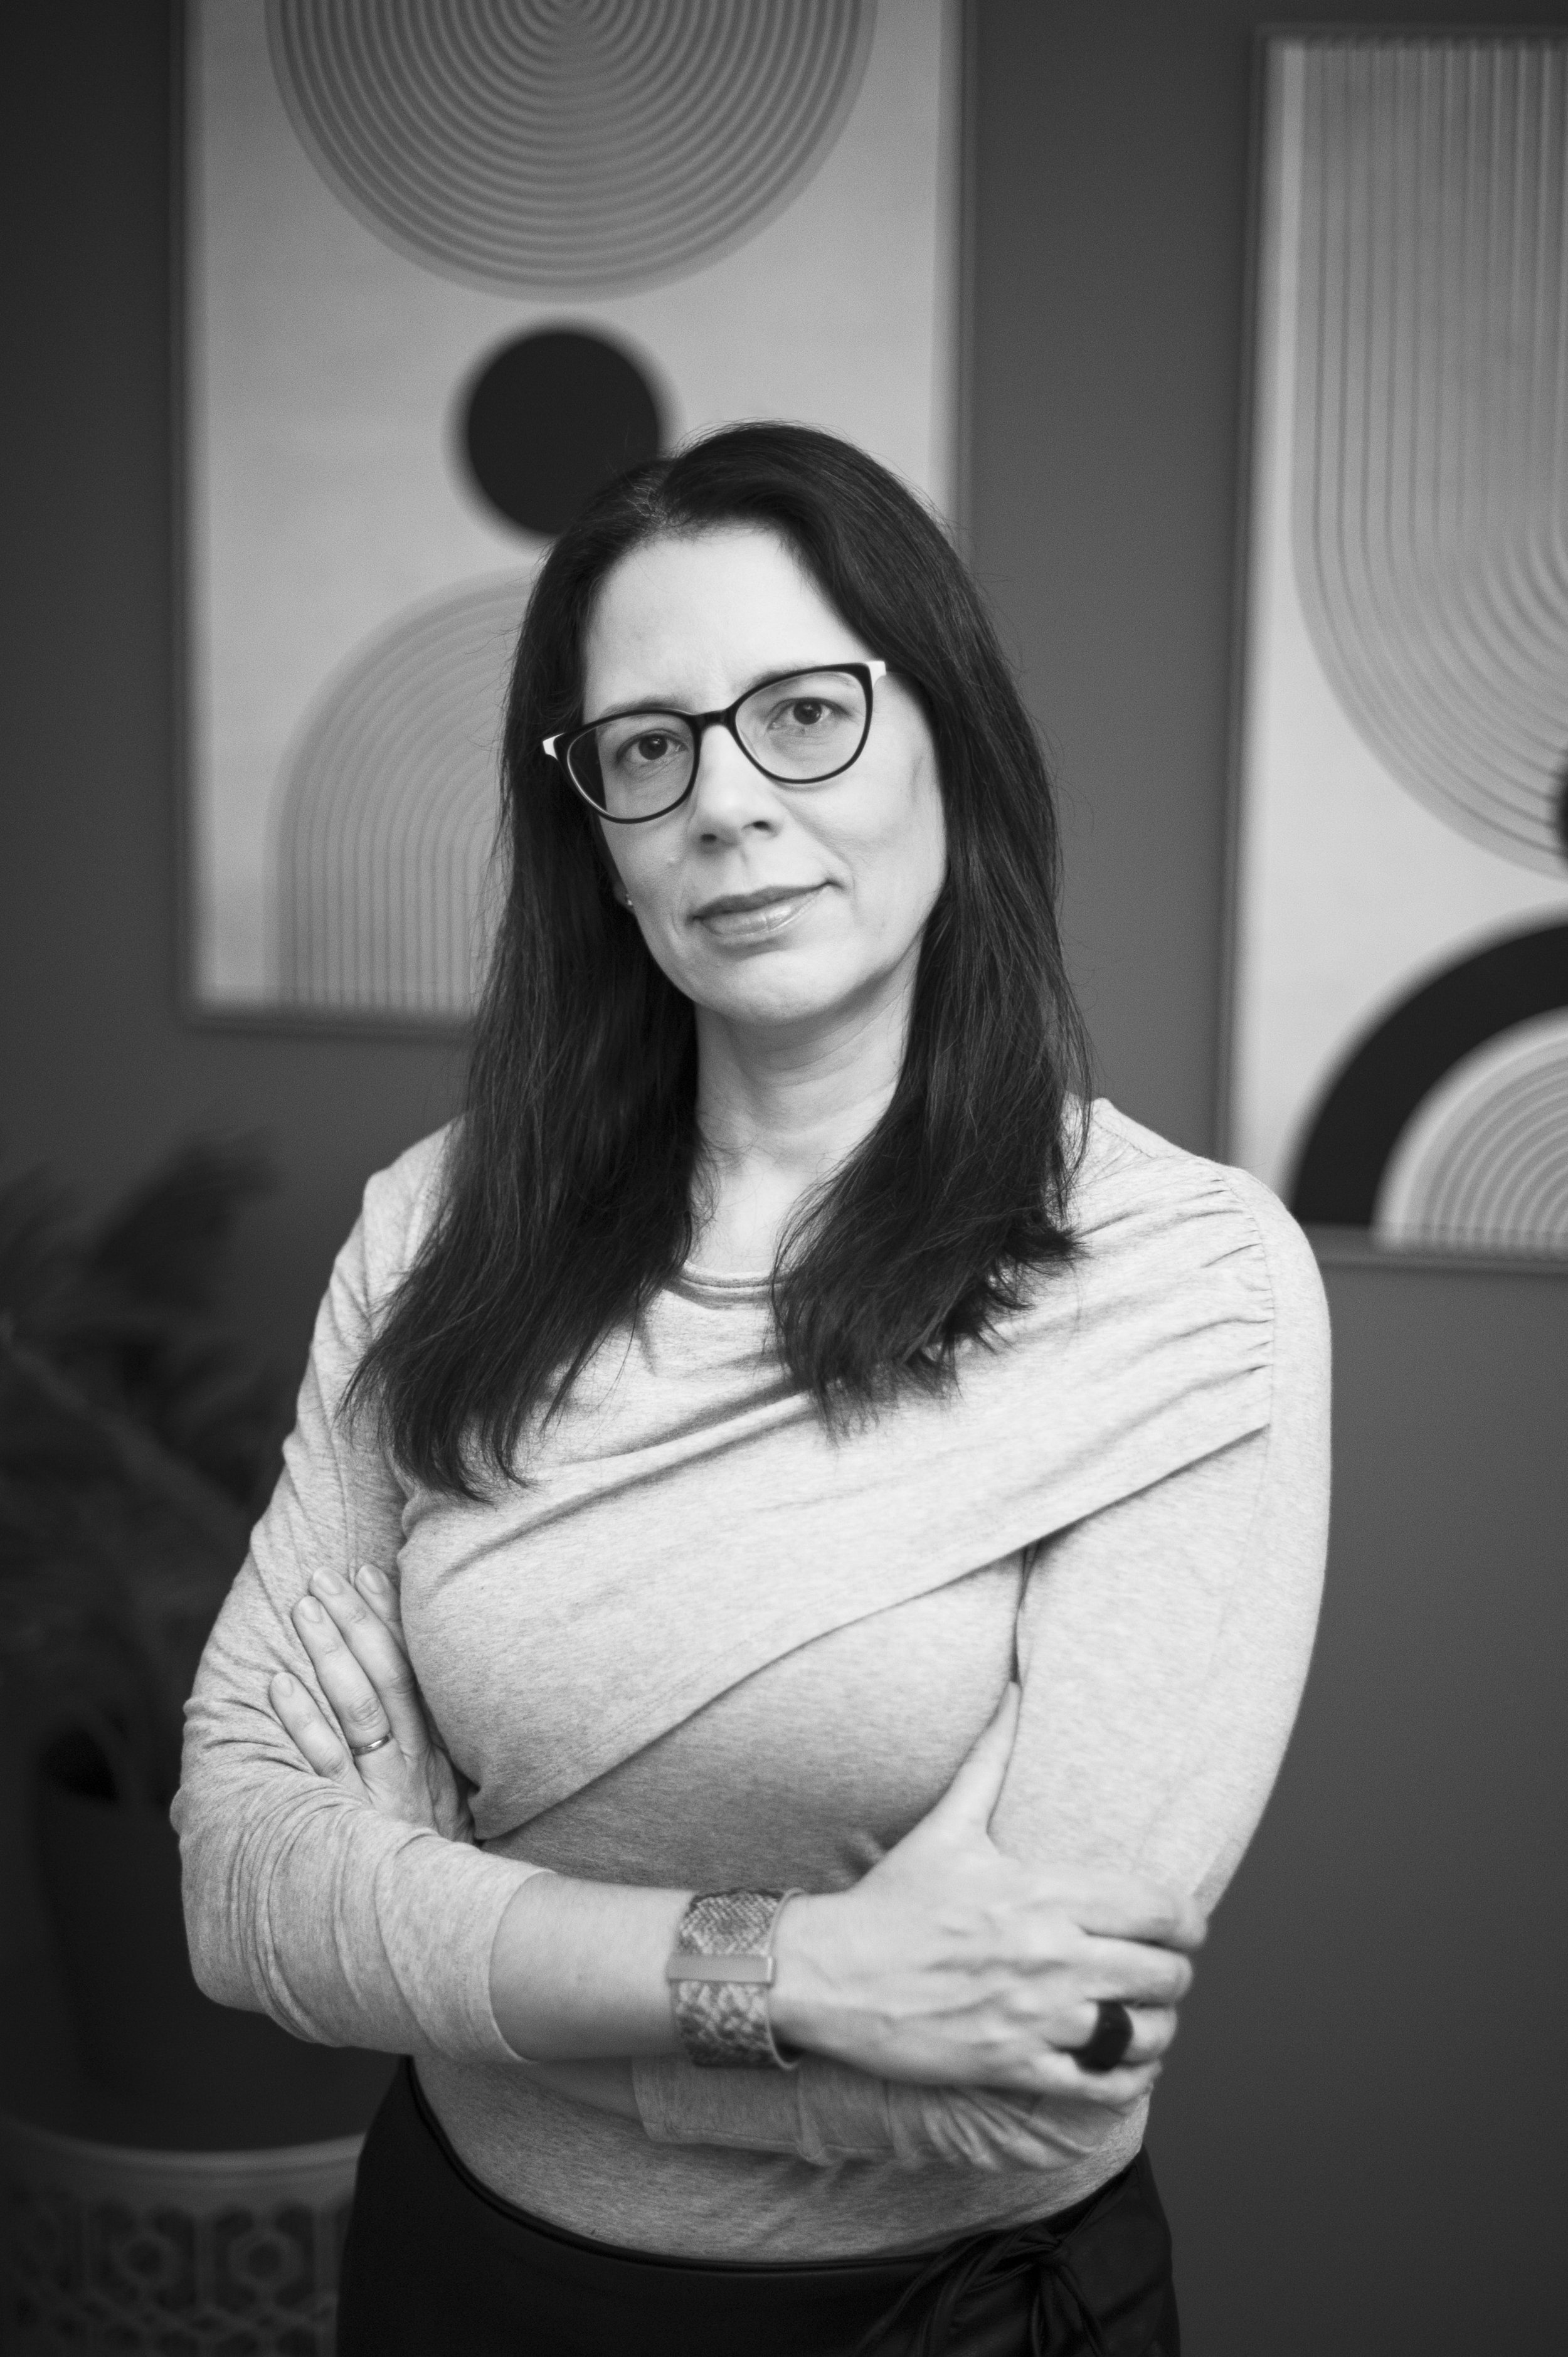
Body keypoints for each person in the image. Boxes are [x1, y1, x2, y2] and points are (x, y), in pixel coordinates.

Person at [174, 423, 1330, 2356]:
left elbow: (1020, 2066)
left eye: (802, 714)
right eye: (647, 748)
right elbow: (243, 1886)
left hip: (930, 2322)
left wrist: (440, 1925)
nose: (724, 804)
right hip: (458, 2282)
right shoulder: (436, 1230)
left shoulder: (1186, 1282)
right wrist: (797, 1973)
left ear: (948, 739)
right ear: (596, 836)